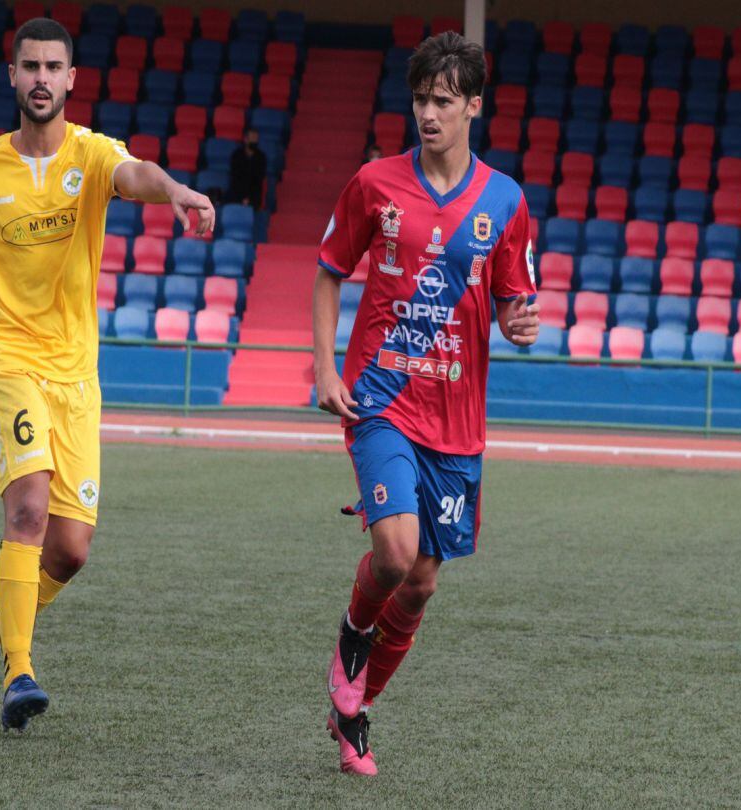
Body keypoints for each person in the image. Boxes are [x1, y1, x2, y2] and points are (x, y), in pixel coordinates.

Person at [0, 18, 215, 732]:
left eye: (55, 66)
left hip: (75, 376)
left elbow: (134, 174)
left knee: (71, 548)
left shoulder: (91, 152)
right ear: (14, 76)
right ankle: (18, 670)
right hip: (11, 362)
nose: (43, 78)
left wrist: (174, 189)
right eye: (31, 66)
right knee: (26, 507)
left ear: (73, 79)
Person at [312, 31, 540, 776]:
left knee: (424, 581)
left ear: (474, 104)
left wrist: (520, 324)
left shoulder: (505, 200)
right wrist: (323, 369)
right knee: (397, 549)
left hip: (457, 418)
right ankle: (352, 633)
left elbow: (512, 301)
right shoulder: (374, 183)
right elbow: (327, 270)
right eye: (420, 100)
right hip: (380, 400)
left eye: (444, 101)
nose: (428, 114)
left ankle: (355, 711)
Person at [226, 127, 267, 209]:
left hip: (254, 195)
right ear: (246, 139)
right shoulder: (237, 155)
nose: (255, 141)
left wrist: (249, 198)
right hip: (237, 193)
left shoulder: (261, 157)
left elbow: (258, 180)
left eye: (256, 139)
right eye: (252, 139)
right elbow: (235, 177)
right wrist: (242, 198)